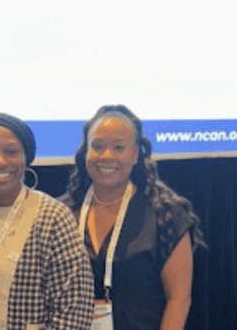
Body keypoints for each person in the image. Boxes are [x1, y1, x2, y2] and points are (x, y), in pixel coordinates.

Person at [0, 113, 94, 330]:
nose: (0, 161)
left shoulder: (54, 218)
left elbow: (74, 314)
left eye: (11, 152)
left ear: (27, 157)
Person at [61, 105, 205, 330]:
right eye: (97, 146)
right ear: (85, 151)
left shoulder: (166, 213)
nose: (107, 156)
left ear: (136, 154)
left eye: (119, 147)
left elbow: (179, 300)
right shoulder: (61, 213)